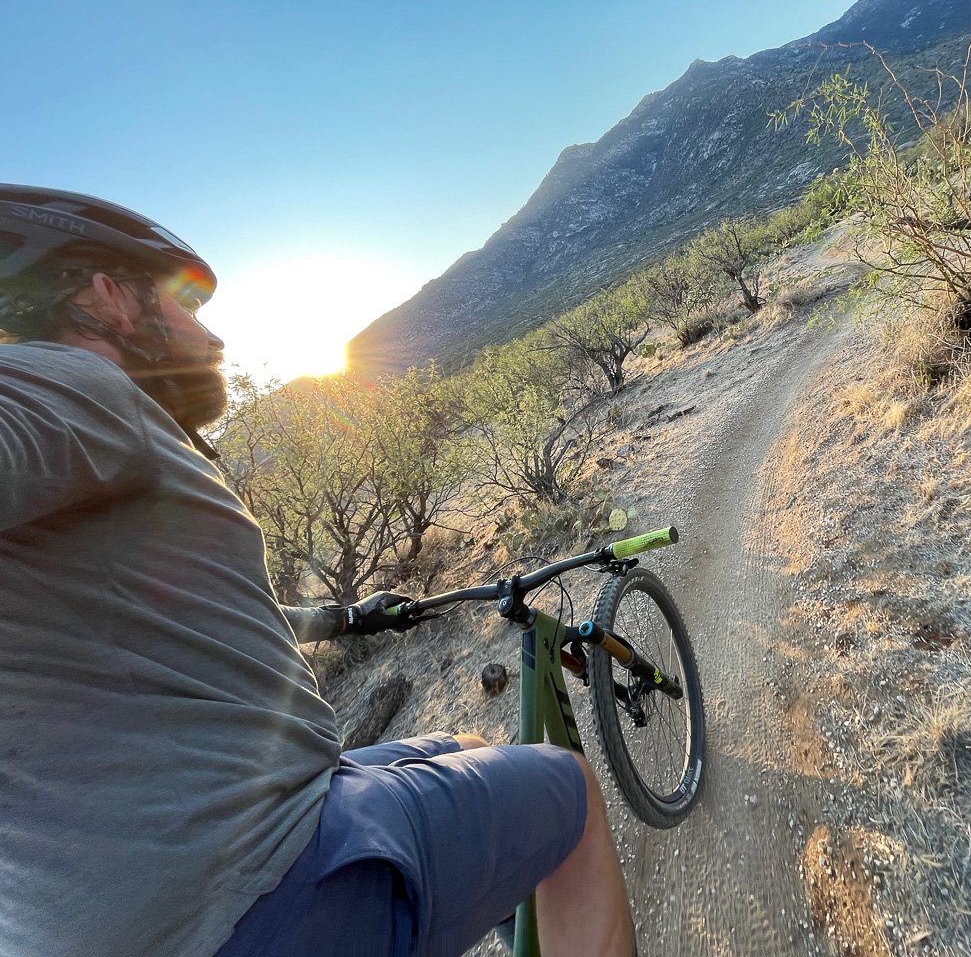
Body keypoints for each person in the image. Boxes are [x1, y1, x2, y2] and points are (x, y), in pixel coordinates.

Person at [0, 184, 636, 957]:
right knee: (570, 789)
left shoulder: (78, 480)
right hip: (253, 884)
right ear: (108, 295)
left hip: (152, 898)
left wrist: (344, 617)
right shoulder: (75, 381)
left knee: (467, 744)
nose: (212, 336)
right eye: (186, 306)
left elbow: (202, 612)